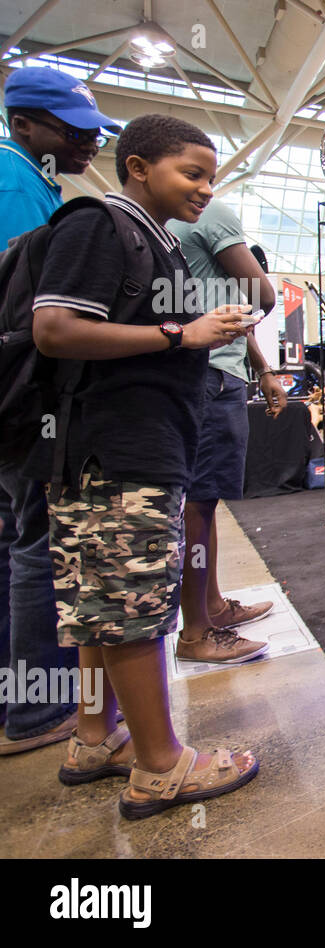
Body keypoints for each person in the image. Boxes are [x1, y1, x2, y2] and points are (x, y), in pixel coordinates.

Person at [29, 113, 258, 816]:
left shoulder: (150, 239)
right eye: (192, 173)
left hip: (116, 448)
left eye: (211, 176)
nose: (204, 189)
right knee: (132, 612)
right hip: (117, 450)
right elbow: (54, 327)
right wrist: (180, 333)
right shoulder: (101, 224)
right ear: (137, 166)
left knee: (100, 613)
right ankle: (162, 765)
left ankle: (96, 737)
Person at [0, 67, 121, 755]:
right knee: (40, 545)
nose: (87, 146)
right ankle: (38, 709)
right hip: (25, 399)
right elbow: (30, 311)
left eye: (93, 133)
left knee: (12, 538)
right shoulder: (15, 181)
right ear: (24, 124)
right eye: (73, 133)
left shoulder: (31, 178)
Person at [169, 198, 287, 663]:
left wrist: (261, 367)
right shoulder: (211, 215)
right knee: (196, 505)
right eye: (195, 174)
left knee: (204, 501)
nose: (204, 188)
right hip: (210, 375)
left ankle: (212, 607)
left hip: (216, 370)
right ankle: (196, 633)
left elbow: (231, 312)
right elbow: (263, 297)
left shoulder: (175, 225)